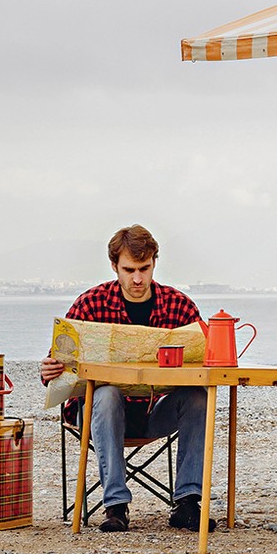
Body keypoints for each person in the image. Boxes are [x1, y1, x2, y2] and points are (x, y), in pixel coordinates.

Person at [41, 224, 213, 532]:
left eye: (144, 269)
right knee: (107, 395)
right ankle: (115, 506)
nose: (137, 278)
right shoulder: (90, 304)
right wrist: (49, 370)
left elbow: (205, 363)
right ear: (114, 266)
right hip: (98, 413)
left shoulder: (180, 305)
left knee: (199, 396)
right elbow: (61, 364)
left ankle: (187, 503)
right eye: (129, 269)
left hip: (151, 411)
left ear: (154, 264)